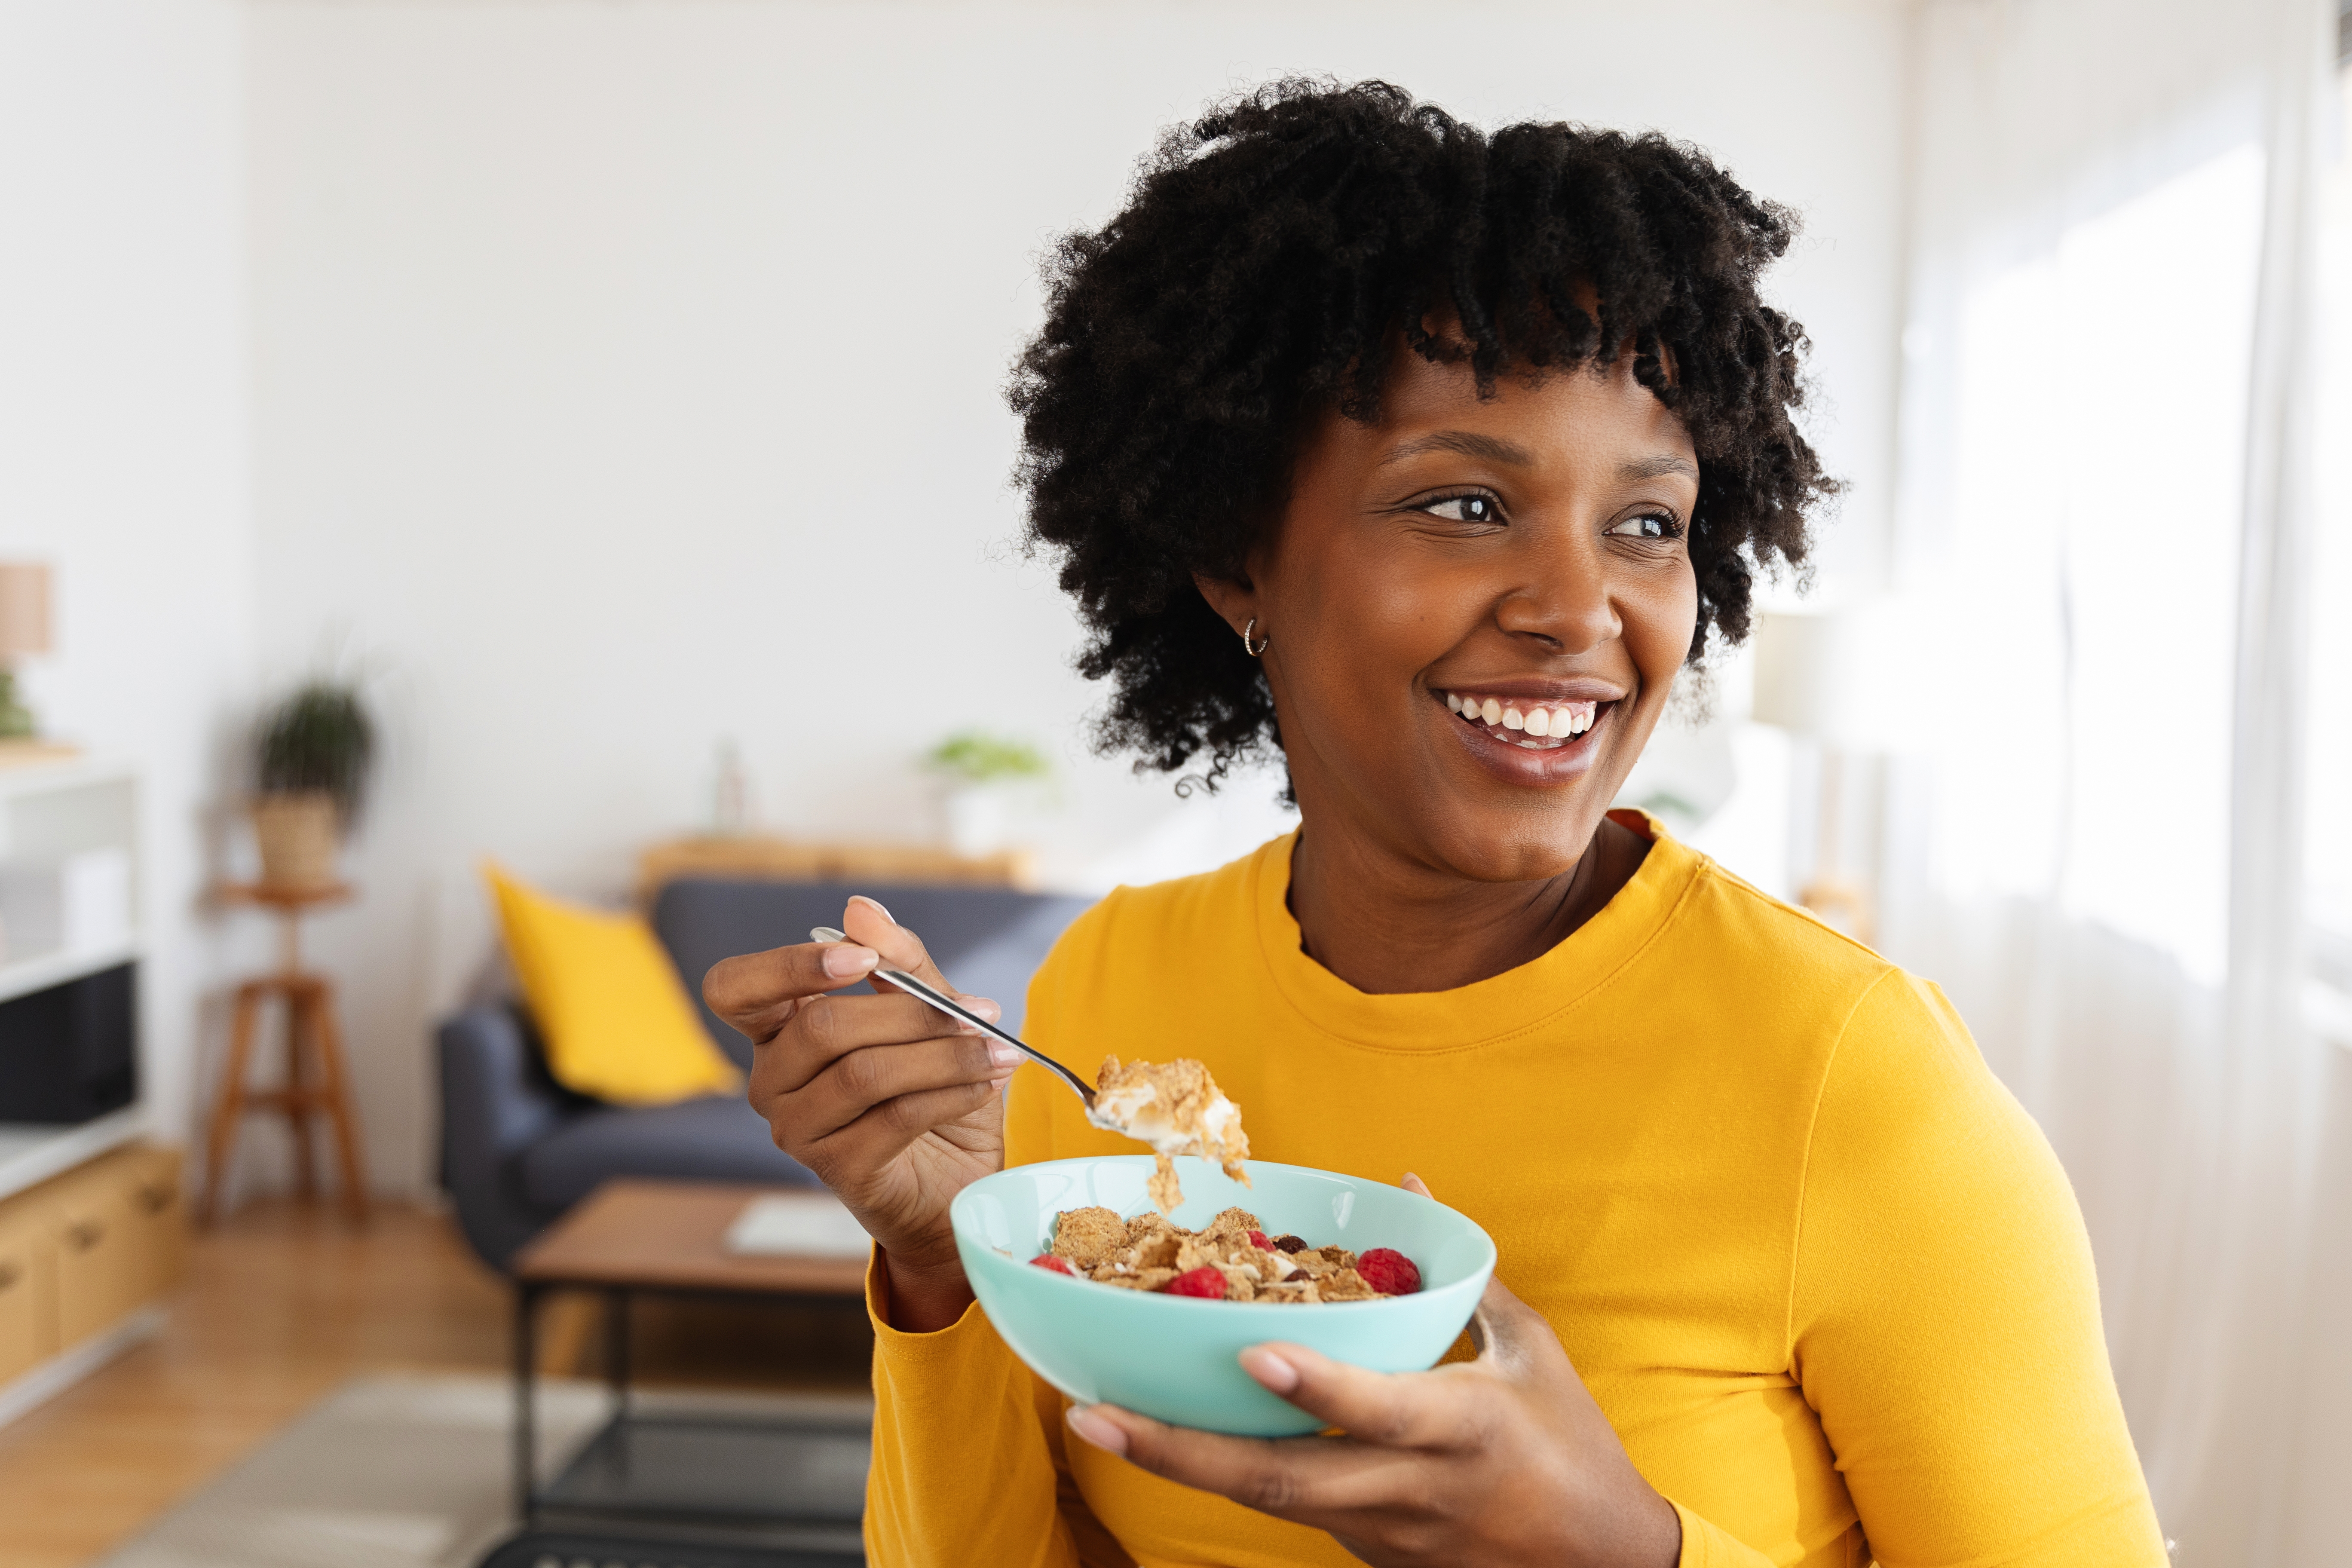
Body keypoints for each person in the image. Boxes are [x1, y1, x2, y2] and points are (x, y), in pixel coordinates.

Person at [707, 80, 2166, 1568]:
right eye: (1466, 505)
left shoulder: (1855, 1085)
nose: (1577, 607)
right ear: (1235, 558)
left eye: (1646, 524)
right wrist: (944, 1264)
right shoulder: (1113, 988)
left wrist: (1618, 1550)